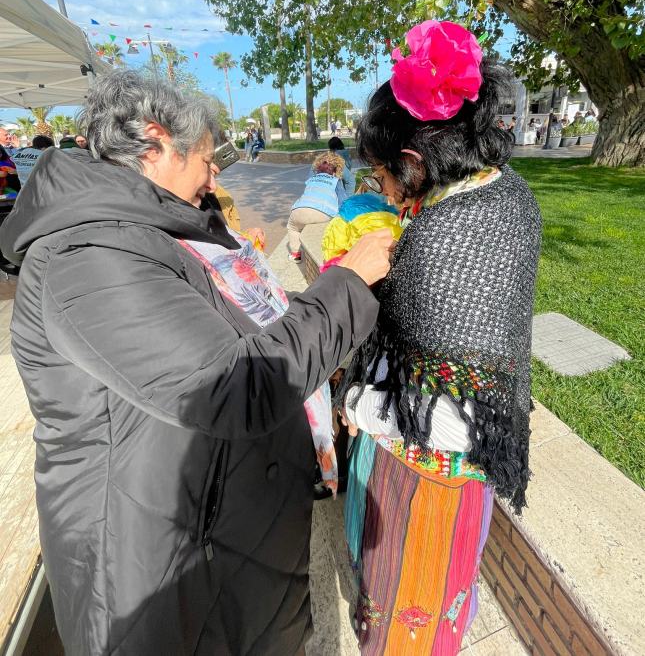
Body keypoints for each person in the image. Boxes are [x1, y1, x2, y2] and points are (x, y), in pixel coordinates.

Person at [0, 70, 393, 656]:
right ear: (155, 142)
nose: (214, 178)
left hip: (219, 536)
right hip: (157, 564)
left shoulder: (149, 228)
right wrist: (347, 284)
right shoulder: (88, 256)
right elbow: (236, 386)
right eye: (206, 161)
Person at [336, 20, 542, 655]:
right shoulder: (512, 196)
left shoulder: (429, 241)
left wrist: (349, 397)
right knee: (446, 598)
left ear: (416, 163)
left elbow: (396, 356)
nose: (383, 191)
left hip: (424, 462)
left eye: (382, 176)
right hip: (476, 452)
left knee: (405, 608)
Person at [287, 152, 347, 261]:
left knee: (293, 228)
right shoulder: (336, 181)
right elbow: (343, 200)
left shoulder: (311, 179)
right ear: (336, 171)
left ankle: (296, 254)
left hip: (299, 210)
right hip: (323, 212)